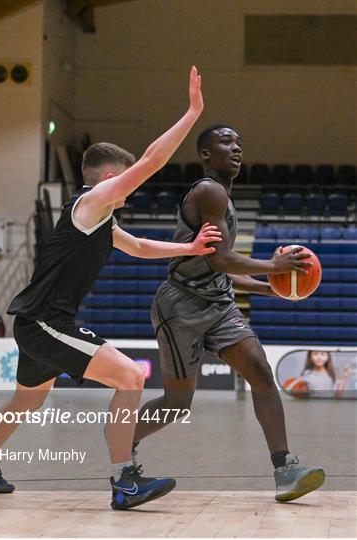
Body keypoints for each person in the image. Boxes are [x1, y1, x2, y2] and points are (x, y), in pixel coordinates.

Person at [0, 67, 224, 510]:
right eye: (124, 179)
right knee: (131, 374)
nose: (129, 187)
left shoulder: (99, 219)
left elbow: (136, 246)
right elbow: (151, 162)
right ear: (106, 181)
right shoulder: (90, 203)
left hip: (36, 322)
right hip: (45, 322)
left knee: (28, 400)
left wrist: (190, 245)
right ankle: (125, 479)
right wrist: (193, 112)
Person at [132, 124, 326, 503]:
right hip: (180, 304)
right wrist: (274, 266)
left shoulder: (226, 198)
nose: (236, 148)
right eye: (225, 142)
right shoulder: (208, 190)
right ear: (205, 153)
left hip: (217, 303)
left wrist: (273, 287)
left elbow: (221, 269)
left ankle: (285, 468)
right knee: (176, 404)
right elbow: (220, 260)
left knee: (259, 369)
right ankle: (124, 438)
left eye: (239, 142)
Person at [285, 350, 350, 399]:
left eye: (322, 354)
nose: (319, 357)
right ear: (310, 357)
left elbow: (338, 395)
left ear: (327, 357)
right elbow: (290, 390)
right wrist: (298, 381)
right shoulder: (307, 373)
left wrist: (344, 378)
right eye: (315, 354)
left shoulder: (333, 373)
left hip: (330, 407)